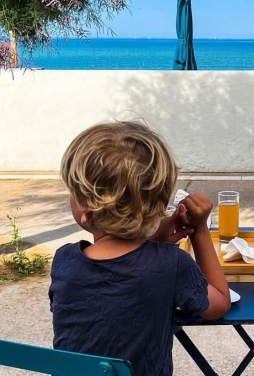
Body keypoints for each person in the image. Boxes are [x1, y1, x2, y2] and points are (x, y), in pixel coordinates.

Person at [49, 121, 230, 376]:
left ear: (85, 213)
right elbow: (220, 304)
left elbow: (112, 285)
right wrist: (199, 229)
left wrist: (156, 236)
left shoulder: (65, 262)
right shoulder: (171, 264)